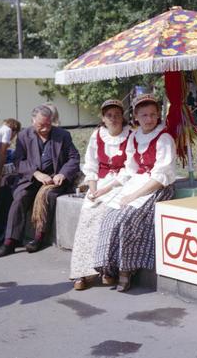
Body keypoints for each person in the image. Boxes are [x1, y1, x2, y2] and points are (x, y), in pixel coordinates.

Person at [93, 94, 177, 292]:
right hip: (138, 183)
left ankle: (126, 270)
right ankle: (110, 266)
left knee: (128, 217)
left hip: (157, 187)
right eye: (144, 115)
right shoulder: (134, 137)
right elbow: (129, 169)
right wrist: (108, 188)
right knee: (110, 215)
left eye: (153, 114)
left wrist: (133, 196)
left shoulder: (164, 138)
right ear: (136, 117)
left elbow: (161, 176)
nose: (149, 119)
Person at [0, 105, 80, 257]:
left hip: (54, 180)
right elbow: (19, 162)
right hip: (32, 178)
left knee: (47, 197)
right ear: (33, 121)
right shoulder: (24, 136)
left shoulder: (63, 135)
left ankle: (39, 237)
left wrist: (62, 174)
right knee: (20, 196)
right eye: (41, 125)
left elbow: (74, 158)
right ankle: (10, 241)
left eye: (48, 124)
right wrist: (36, 173)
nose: (45, 129)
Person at [70, 100, 132, 290]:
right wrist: (93, 188)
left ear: (123, 116)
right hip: (101, 183)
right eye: (109, 116)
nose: (113, 119)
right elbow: (91, 165)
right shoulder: (97, 135)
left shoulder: (131, 135)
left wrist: (106, 189)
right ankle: (82, 271)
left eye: (117, 115)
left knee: (105, 215)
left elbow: (130, 168)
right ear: (103, 118)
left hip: (122, 183)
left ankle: (107, 269)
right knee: (87, 215)